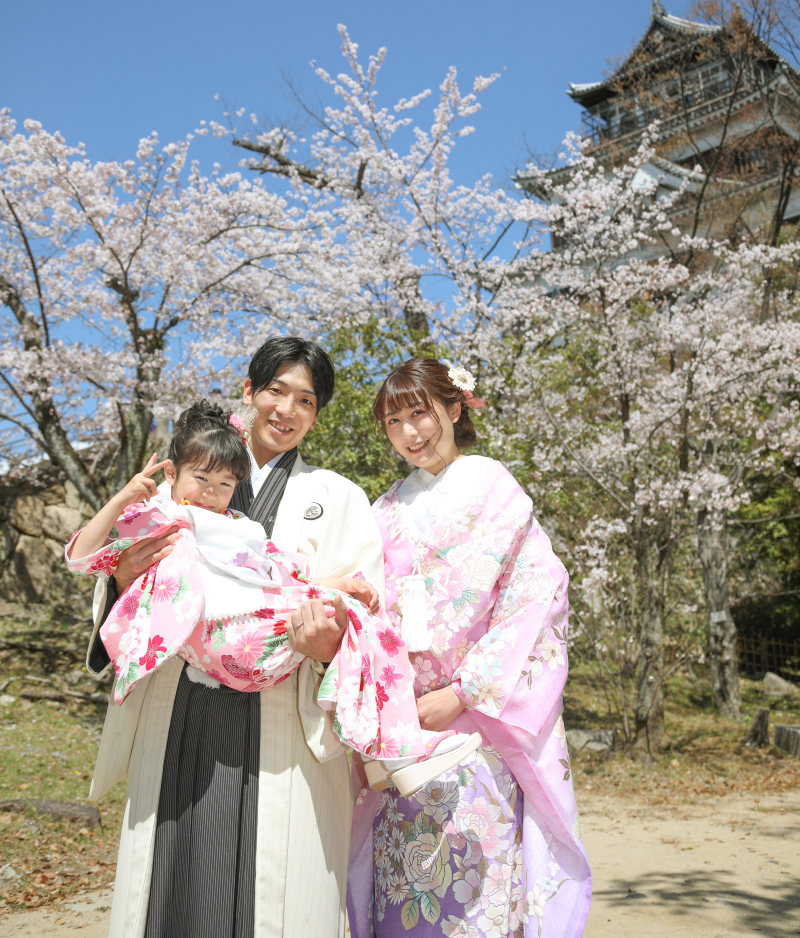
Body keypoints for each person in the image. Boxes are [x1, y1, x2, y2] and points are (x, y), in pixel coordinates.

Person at [81, 337, 386, 938]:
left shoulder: (339, 498)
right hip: (178, 706)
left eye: (305, 399)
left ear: (317, 415)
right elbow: (115, 566)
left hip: (281, 714)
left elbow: (365, 613)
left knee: (270, 899)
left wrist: (327, 645)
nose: (286, 409)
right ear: (248, 393)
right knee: (166, 885)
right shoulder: (186, 474)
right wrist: (120, 577)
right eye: (275, 390)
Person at [67, 400, 480, 792]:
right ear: (170, 474)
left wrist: (332, 588)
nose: (211, 493)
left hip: (249, 637)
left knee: (361, 618)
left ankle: (387, 748)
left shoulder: (237, 521)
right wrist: (123, 498)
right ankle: (390, 751)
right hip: (226, 637)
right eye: (201, 479)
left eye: (226, 483)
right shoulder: (162, 515)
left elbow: (277, 573)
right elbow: (82, 555)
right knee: (357, 623)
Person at [347, 358, 592, 938]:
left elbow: (537, 595)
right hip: (405, 727)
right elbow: (372, 610)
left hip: (476, 724)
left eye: (420, 413)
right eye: (394, 421)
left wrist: (462, 692)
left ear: (454, 410)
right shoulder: (383, 509)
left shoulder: (492, 486)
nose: (410, 432)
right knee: (403, 887)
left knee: (474, 889)